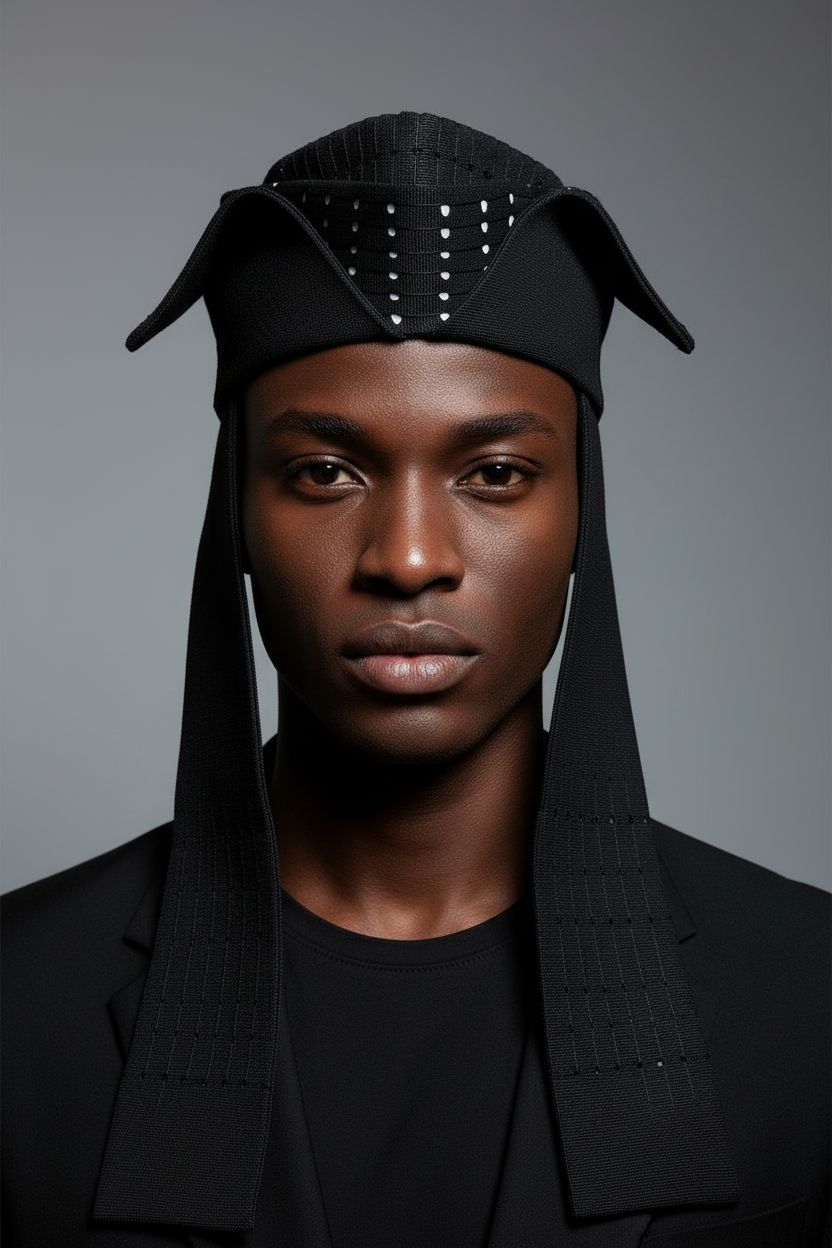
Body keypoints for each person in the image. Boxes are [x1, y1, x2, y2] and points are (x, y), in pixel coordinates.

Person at [2, 112, 828, 1247]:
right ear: (235, 511)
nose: (406, 556)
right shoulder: (15, 1005)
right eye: (325, 471)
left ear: (581, 509)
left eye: (494, 472)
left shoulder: (809, 995)